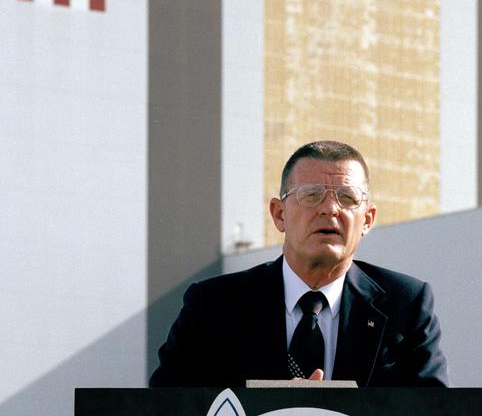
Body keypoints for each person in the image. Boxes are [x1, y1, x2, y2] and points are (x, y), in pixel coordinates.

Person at [149, 141, 448, 387]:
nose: (330, 209)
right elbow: (165, 413)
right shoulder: (213, 305)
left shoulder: (405, 306)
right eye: (312, 195)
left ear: (367, 220)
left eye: (347, 197)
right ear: (279, 214)